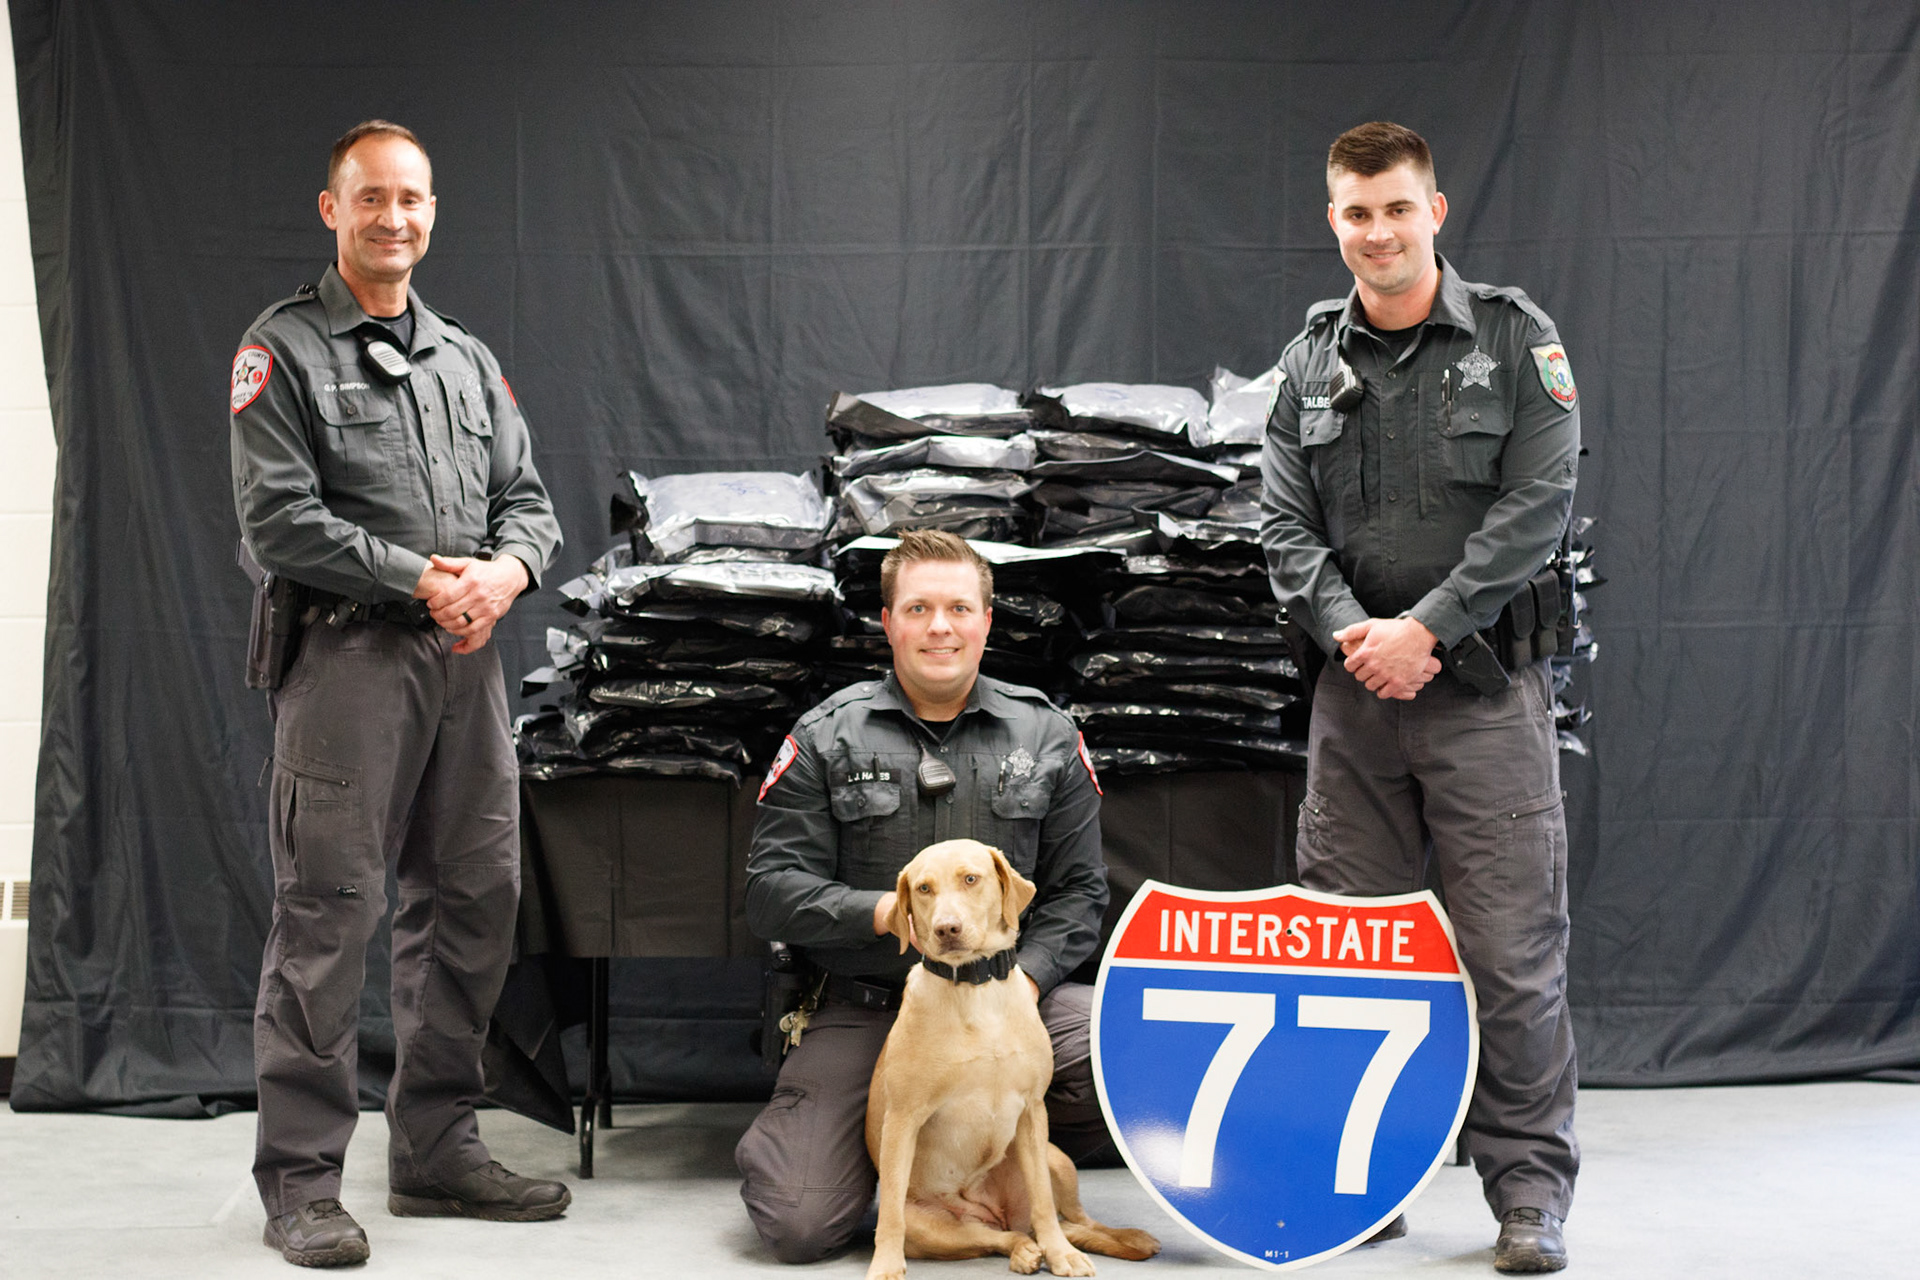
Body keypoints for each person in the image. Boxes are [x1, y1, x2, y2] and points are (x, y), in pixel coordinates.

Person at [230, 120, 567, 1267]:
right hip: (347, 664)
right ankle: (301, 1180)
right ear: (333, 209)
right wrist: (423, 576)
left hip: (465, 666)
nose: (394, 217)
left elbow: (530, 501)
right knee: (328, 912)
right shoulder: (282, 350)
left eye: (411, 198)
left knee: (475, 897)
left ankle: (434, 1144)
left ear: (431, 211)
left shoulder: (464, 358)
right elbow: (278, 520)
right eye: (371, 197)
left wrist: (505, 574)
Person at [1258, 122, 1580, 1274]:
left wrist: (1426, 630)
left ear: (1434, 211)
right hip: (1355, 701)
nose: (1378, 231)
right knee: (1352, 954)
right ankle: (1370, 1178)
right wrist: (1359, 635)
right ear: (1333, 220)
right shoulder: (1306, 362)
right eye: (1357, 212)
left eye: (1397, 207)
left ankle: (1528, 1192)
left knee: (1511, 957)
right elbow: (1282, 525)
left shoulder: (1515, 337)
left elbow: (1539, 504)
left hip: (1484, 694)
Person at [736, 529, 1112, 1263]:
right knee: (800, 1220)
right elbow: (771, 893)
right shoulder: (827, 736)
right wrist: (887, 913)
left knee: (1131, 1044)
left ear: (987, 621)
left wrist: (1026, 980)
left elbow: (1080, 891)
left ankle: (981, 1158)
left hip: (1009, 997)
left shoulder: (1046, 734)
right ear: (888, 623)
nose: (940, 627)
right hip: (869, 1010)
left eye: (958, 608)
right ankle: (896, 1160)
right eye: (918, 609)